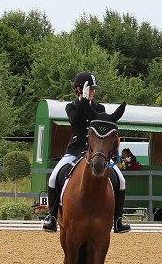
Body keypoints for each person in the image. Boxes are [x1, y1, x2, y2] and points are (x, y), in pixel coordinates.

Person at [41, 71, 130, 234]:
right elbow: (78, 120)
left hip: (97, 152)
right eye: (90, 89)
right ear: (79, 89)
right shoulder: (72, 107)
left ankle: (118, 219)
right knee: (53, 178)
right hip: (75, 151)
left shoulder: (99, 108)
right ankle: (52, 217)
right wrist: (83, 100)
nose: (93, 92)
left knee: (121, 180)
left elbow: (101, 123)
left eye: (93, 89)